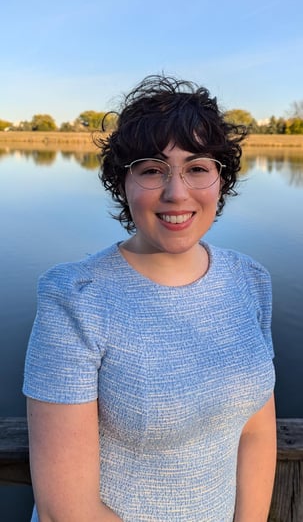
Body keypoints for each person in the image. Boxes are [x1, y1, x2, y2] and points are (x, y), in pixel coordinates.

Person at [23, 75, 276, 522]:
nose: (177, 192)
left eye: (197, 167)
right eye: (152, 169)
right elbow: (67, 509)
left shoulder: (249, 280)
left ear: (221, 180)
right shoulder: (76, 299)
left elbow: (256, 430)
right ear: (123, 183)